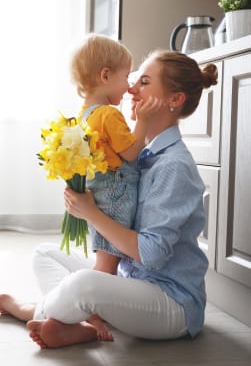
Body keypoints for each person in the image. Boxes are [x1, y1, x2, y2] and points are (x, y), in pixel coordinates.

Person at [0, 49, 218, 349]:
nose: (130, 89)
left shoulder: (174, 166)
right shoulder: (141, 154)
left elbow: (152, 254)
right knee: (45, 254)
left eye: (143, 82)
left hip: (171, 302)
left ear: (174, 99)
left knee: (83, 285)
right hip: (132, 282)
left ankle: (25, 309)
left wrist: (92, 214)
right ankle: (83, 325)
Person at [70, 34, 163, 337]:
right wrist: (144, 121)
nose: (128, 86)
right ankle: (87, 315)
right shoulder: (109, 113)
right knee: (106, 267)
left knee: (104, 260)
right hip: (116, 198)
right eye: (126, 77)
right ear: (105, 75)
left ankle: (87, 312)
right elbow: (132, 152)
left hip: (100, 196)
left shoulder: (83, 115)